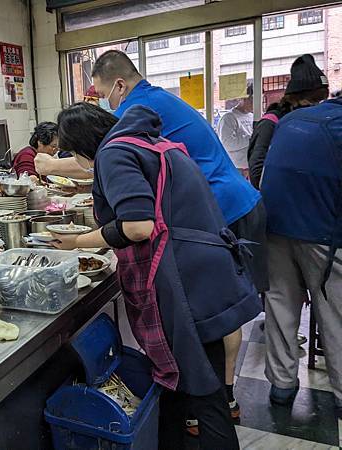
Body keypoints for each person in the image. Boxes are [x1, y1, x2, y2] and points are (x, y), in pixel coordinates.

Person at [52, 102, 261, 449]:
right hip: (205, 271)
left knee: (205, 393)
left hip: (183, 282)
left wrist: (76, 242)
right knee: (181, 386)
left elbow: (137, 226)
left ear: (83, 144)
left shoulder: (113, 153)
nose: (77, 160)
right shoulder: (148, 141)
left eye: (74, 152)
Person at [92, 49, 266, 422]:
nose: (104, 102)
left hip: (221, 206)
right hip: (227, 198)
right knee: (218, 309)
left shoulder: (130, 112)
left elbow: (102, 158)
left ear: (119, 85)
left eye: (102, 92)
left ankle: (218, 401)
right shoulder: (154, 100)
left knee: (217, 310)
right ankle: (217, 400)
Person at [261, 96, 342, 419]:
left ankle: (281, 386)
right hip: (322, 234)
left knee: (280, 306)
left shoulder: (293, 121)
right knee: (334, 314)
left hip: (274, 225)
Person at [247, 54, 329, 189]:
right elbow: (257, 174)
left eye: (321, 101)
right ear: (294, 98)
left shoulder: (308, 124)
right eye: (313, 101)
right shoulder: (271, 123)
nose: (317, 107)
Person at [217, 83, 254, 177]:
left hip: (251, 167)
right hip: (237, 169)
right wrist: (253, 138)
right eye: (252, 99)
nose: (255, 103)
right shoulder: (229, 118)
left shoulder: (252, 116)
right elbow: (227, 143)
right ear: (243, 98)